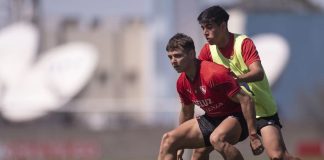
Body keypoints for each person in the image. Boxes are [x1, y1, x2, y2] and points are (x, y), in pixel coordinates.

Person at [191, 5, 300, 160]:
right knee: (200, 151)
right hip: (233, 111)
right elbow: (200, 80)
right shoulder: (207, 51)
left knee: (277, 156)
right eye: (203, 28)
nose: (205, 32)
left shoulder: (243, 43)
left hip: (260, 109)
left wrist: (234, 79)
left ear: (223, 26)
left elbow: (258, 72)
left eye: (209, 27)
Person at [157, 33, 263, 160]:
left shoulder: (214, 74)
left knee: (216, 139)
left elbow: (246, 99)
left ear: (191, 54)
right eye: (170, 57)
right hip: (212, 119)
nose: (173, 61)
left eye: (178, 56)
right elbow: (186, 113)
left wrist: (253, 136)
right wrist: (180, 146)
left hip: (238, 117)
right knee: (169, 140)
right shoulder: (181, 83)